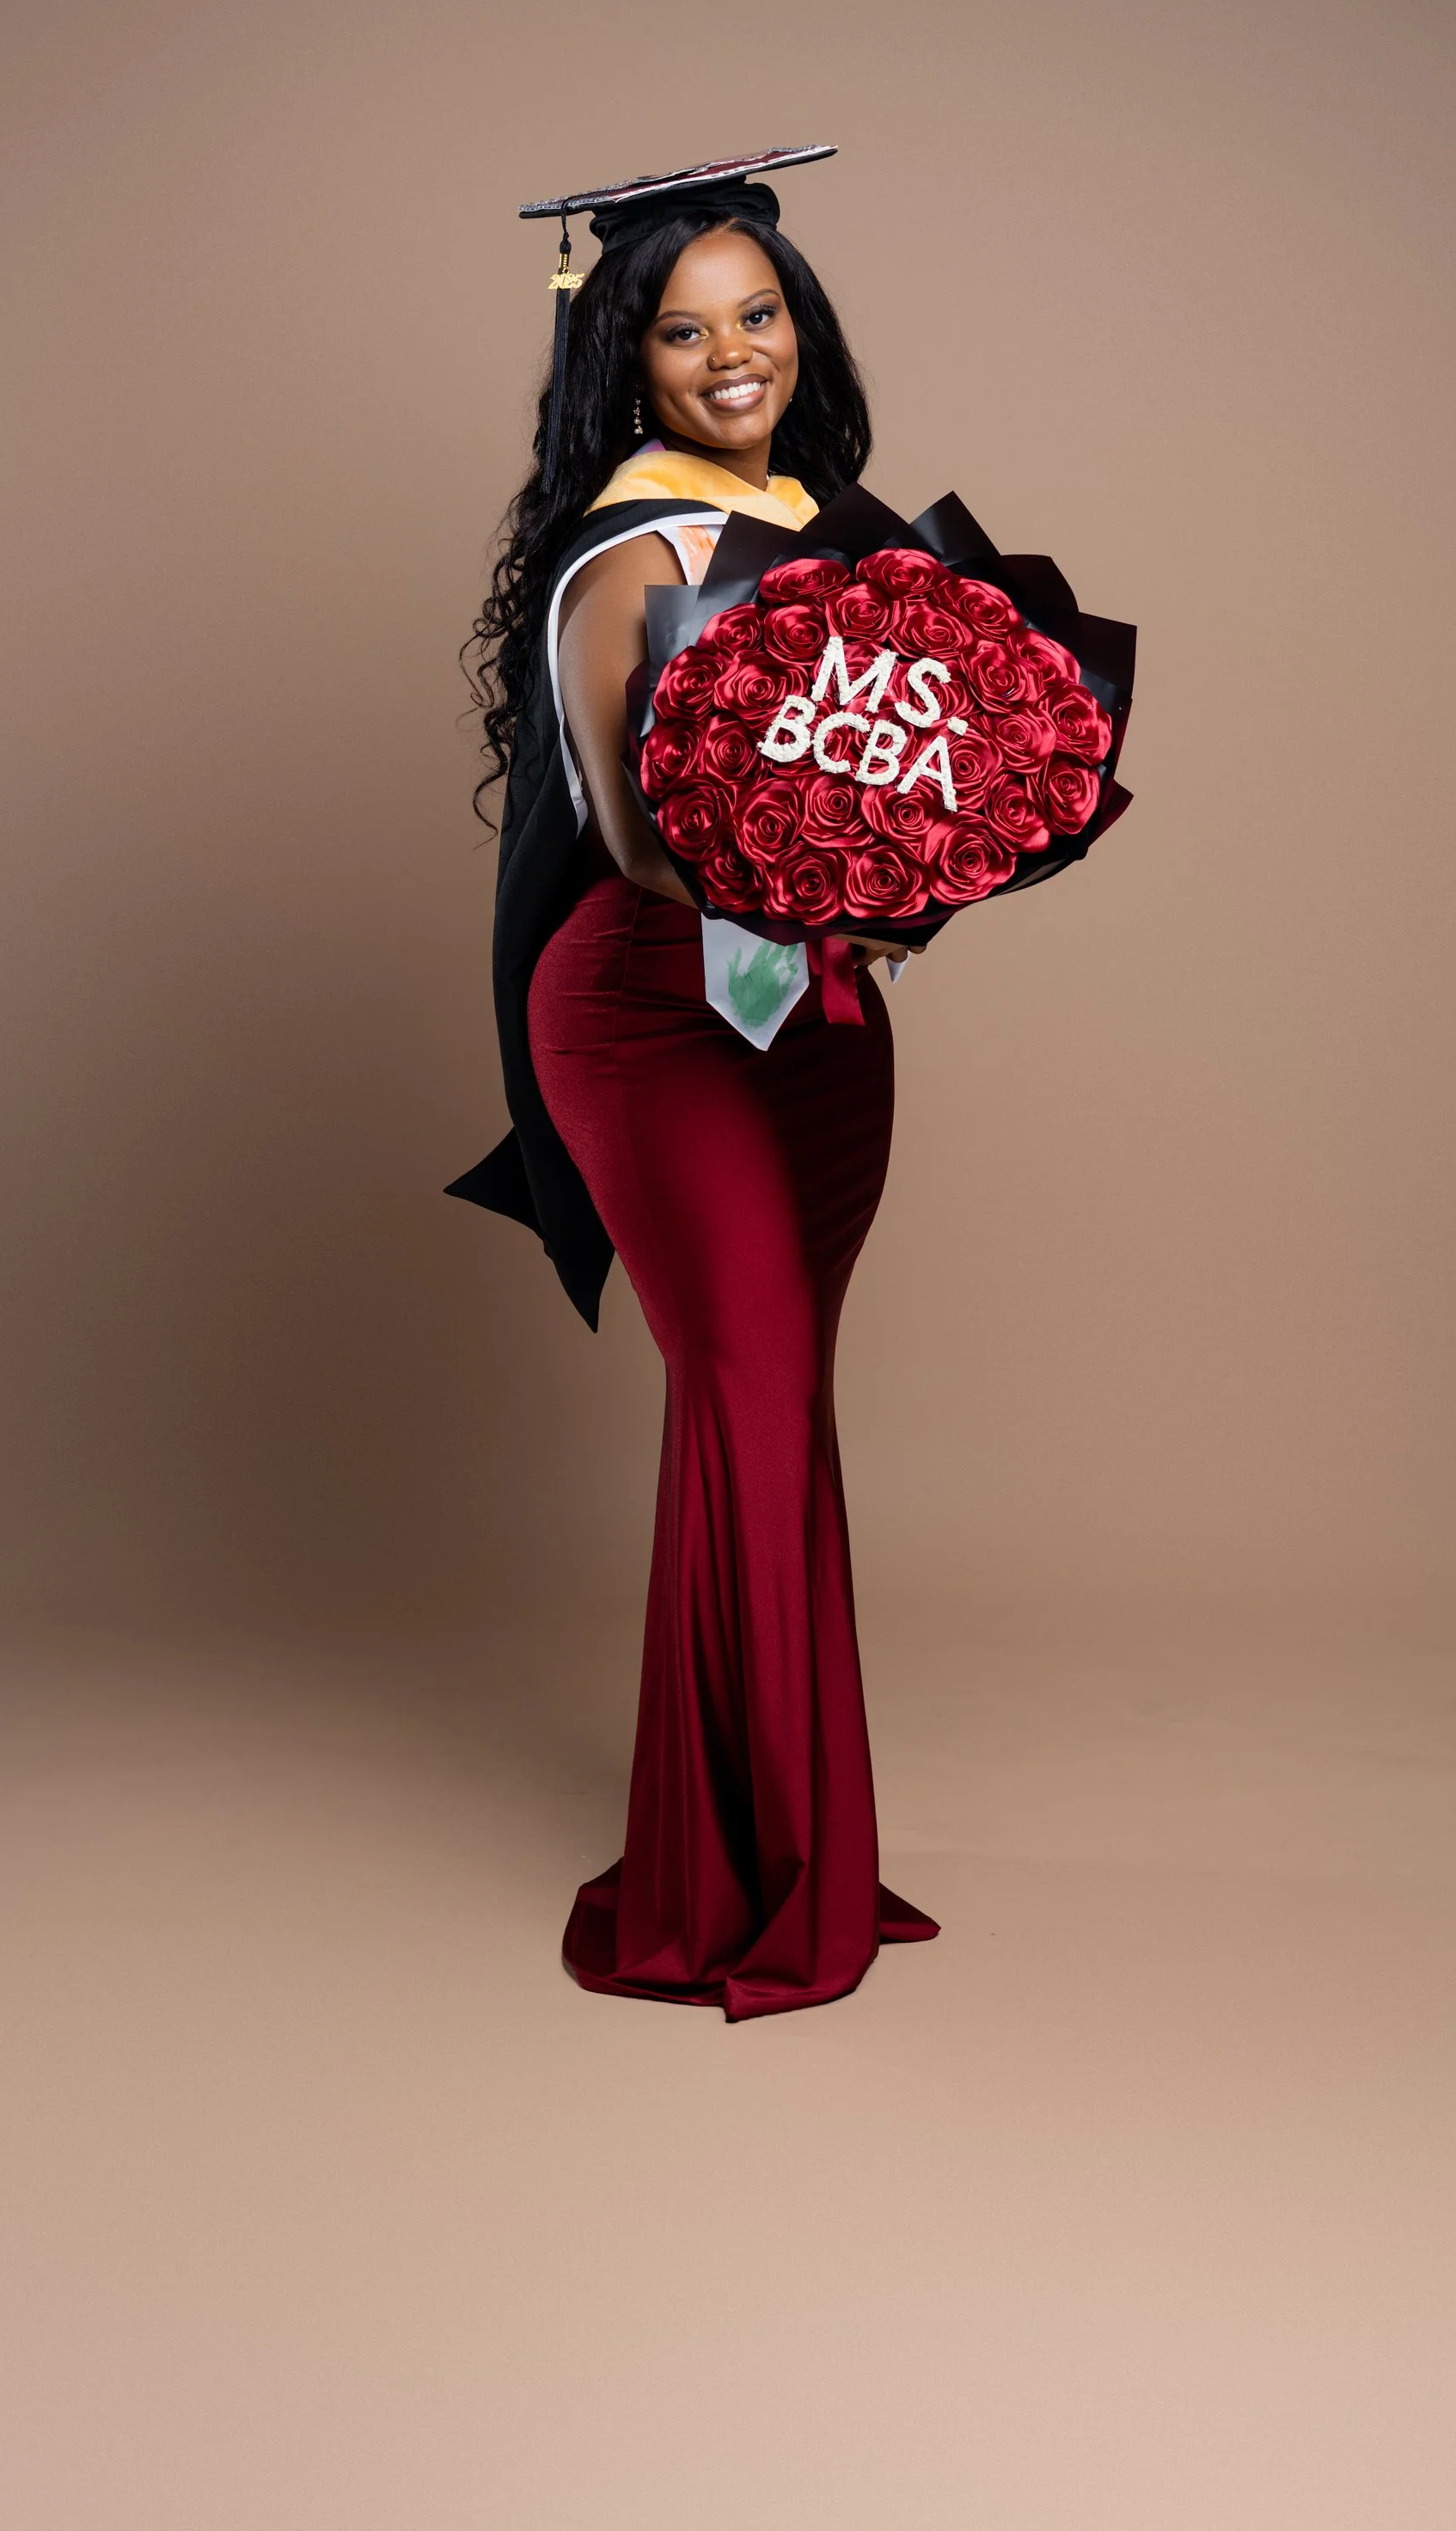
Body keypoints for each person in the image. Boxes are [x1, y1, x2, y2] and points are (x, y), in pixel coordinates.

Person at [452, 151, 938, 2018]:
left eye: (759, 313)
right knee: (746, 1399)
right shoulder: (629, 557)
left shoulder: (823, 519)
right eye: (683, 330)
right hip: (658, 1017)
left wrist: (930, 850)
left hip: (809, 1019)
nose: (734, 353)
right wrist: (836, 883)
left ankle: (782, 1844)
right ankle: (733, 1887)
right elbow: (643, 846)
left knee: (778, 1409)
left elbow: (878, 753)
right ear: (624, 361)